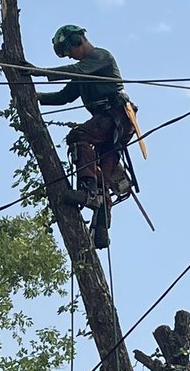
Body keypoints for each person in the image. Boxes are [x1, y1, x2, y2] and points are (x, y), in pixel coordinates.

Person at [27, 25, 137, 231]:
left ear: (78, 40)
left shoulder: (100, 57)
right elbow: (65, 96)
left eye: (69, 51)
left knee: (79, 136)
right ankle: (101, 222)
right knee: (103, 175)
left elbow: (77, 70)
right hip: (111, 124)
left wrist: (38, 72)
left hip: (117, 116)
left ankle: (88, 192)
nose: (70, 56)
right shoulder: (83, 70)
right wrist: (38, 98)